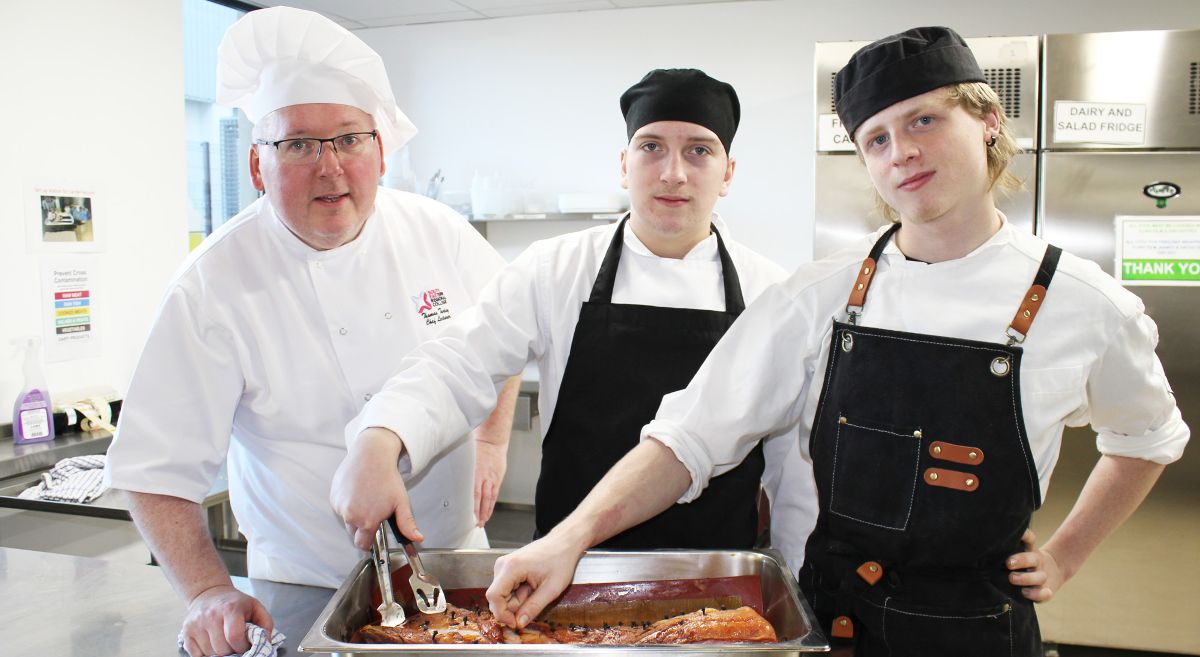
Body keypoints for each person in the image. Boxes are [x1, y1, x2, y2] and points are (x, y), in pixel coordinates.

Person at [485, 26, 1189, 656]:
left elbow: (1149, 436)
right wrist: (567, 538)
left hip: (978, 631)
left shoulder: (1083, 303)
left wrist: (1066, 554)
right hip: (833, 624)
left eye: (924, 120)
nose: (902, 151)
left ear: (988, 121)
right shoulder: (819, 294)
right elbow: (687, 438)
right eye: (876, 138)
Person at [102, 7, 518, 657]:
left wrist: (493, 441)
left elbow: (504, 336)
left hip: (457, 567)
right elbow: (154, 468)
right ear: (257, 166)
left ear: (380, 151)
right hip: (304, 586)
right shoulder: (210, 285)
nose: (329, 167)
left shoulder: (439, 233)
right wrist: (208, 590)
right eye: (297, 143)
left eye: (349, 138)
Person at [330, 68, 816, 571]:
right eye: (651, 147)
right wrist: (380, 436)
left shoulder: (770, 295)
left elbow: (793, 469)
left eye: (699, 150)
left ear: (728, 173)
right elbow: (458, 363)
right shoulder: (555, 269)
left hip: (716, 583)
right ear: (624, 165)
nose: (674, 171)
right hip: (567, 572)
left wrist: (799, 588)